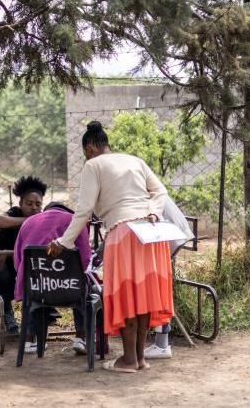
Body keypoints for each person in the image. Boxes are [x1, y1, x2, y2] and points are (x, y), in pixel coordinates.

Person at [47, 121, 174, 373]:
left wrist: (64, 241)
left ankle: (128, 360)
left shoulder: (93, 165)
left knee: (127, 296)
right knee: (143, 296)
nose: (87, 157)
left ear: (90, 148)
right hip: (150, 232)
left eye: (86, 153)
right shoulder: (135, 160)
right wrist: (153, 211)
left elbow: (84, 211)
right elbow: (160, 191)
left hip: (123, 232)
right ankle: (139, 359)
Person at [13, 201, 91, 355]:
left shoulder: (28, 222)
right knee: (82, 282)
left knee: (32, 281)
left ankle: (29, 340)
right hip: (69, 288)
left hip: (37, 289)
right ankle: (81, 338)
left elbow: (18, 261)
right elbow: (85, 260)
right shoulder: (75, 222)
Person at [0, 176, 46, 333]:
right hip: (5, 263)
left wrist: (8, 253)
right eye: (29, 203)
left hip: (27, 262)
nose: (34, 207)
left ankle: (42, 312)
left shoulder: (43, 219)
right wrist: (28, 221)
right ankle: (7, 312)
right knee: (1, 272)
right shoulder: (14, 213)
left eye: (38, 204)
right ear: (20, 203)